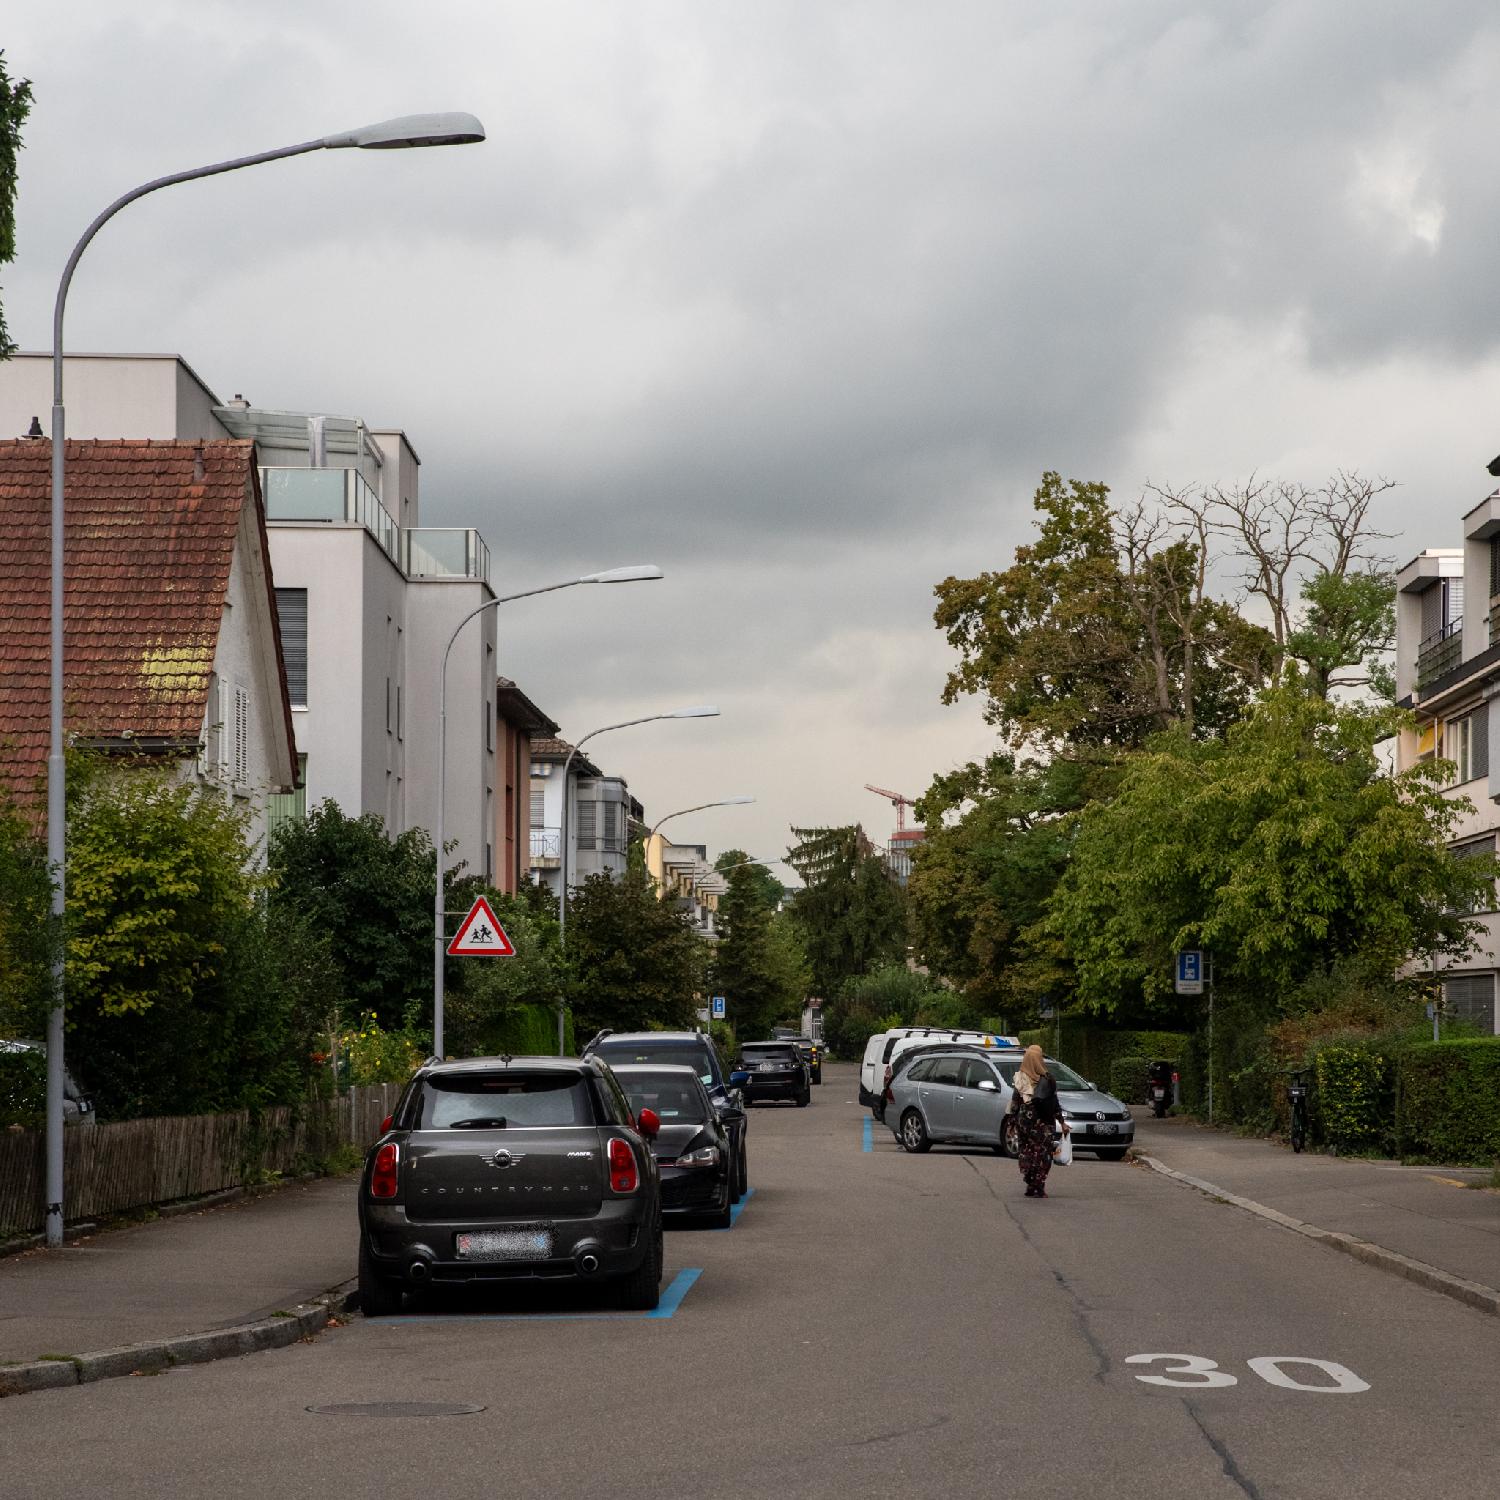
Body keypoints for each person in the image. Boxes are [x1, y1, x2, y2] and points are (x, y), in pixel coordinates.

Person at [1009, 1045, 1069, 1197]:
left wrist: (1012, 1123)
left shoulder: (1020, 1078)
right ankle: (1039, 1186)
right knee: (1042, 1154)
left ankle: (1030, 1184)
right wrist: (1061, 1122)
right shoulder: (1048, 1079)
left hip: (1024, 1122)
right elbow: (1053, 1103)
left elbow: (1015, 1103)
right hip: (1043, 1122)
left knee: (1026, 1152)